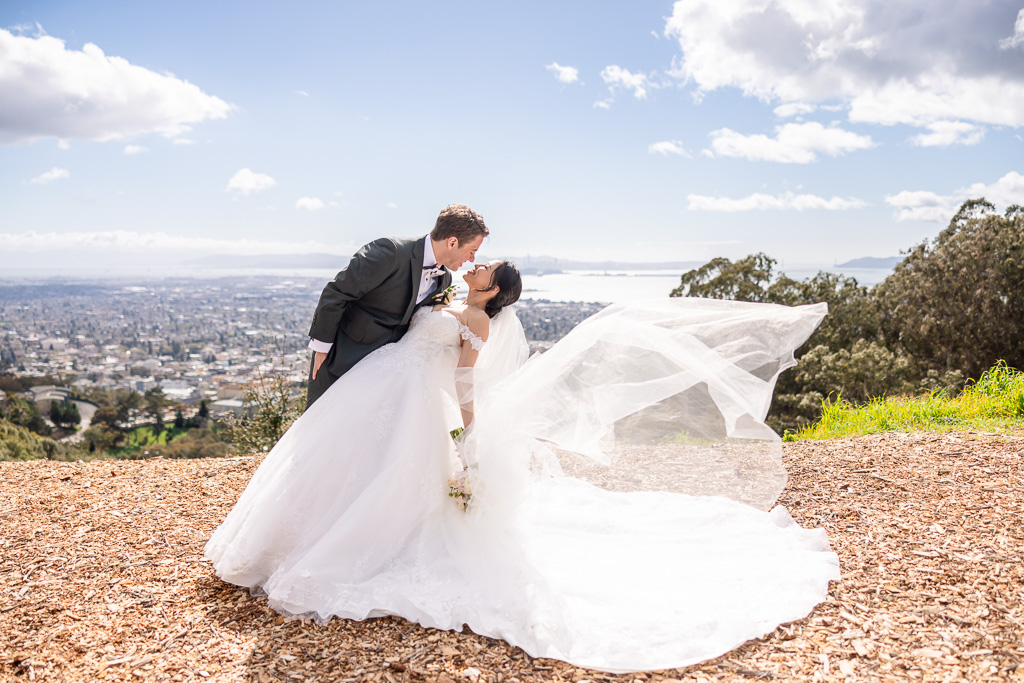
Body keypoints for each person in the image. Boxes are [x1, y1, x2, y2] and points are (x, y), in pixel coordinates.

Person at [206, 262, 840, 673]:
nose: (475, 263)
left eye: (483, 266)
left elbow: (461, 376)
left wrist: (468, 431)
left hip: (415, 402)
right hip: (380, 393)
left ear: (492, 290)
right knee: (349, 467)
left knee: (400, 486)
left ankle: (359, 542)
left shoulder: (476, 315)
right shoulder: (454, 292)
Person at [304, 203, 488, 408]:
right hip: (340, 360)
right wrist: (321, 347)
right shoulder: (390, 251)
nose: (472, 259)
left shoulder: (444, 280)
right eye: (471, 251)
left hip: (383, 377)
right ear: (452, 242)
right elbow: (337, 292)